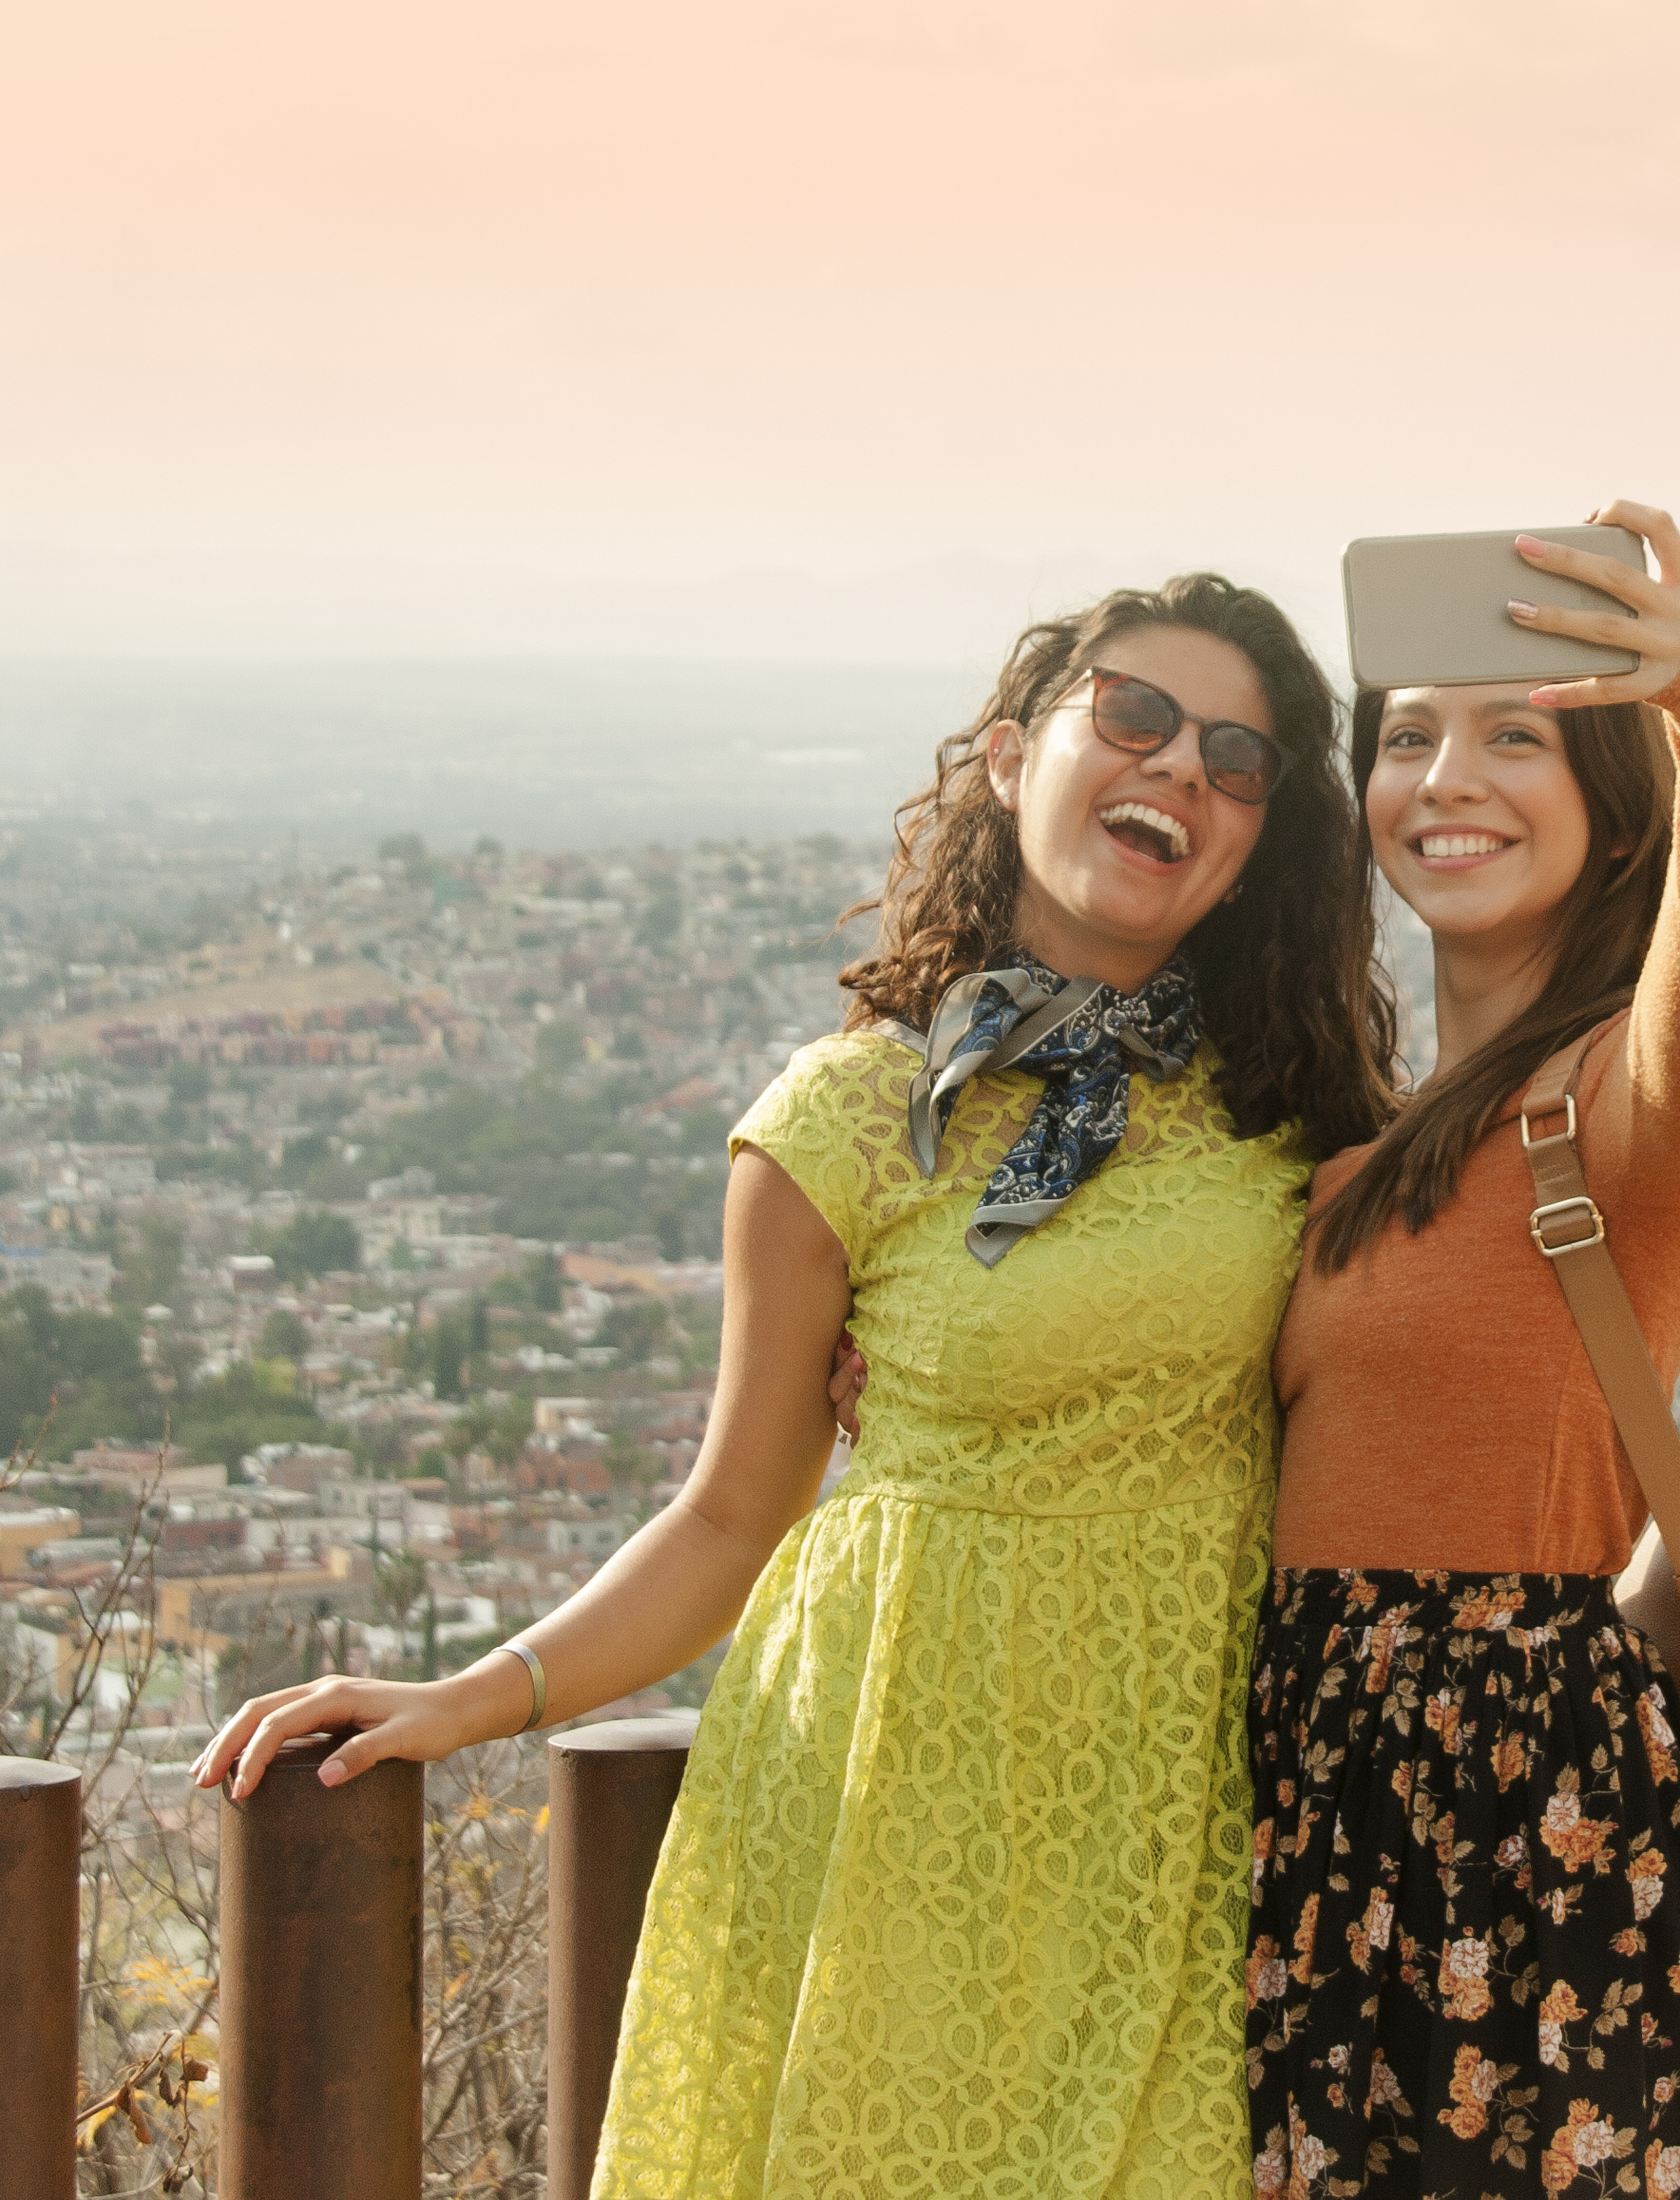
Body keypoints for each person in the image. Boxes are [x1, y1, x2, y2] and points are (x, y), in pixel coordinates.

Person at [194, 574, 1399, 2200]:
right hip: (886, 1808)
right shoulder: (844, 1120)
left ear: (1260, 838)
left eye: (1239, 758)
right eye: (1133, 715)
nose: (1183, 765)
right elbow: (729, 1513)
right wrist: (462, 1699)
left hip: (1178, 1815)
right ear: (1003, 757)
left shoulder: (1304, 1115)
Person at [1250, 503, 1680, 2198]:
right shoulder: (1363, 1145)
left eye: (1519, 734)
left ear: (1615, 805)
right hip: (1325, 1815)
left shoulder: (1635, 1101)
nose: (1447, 778)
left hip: (1532, 1813)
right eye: (1406, 733)